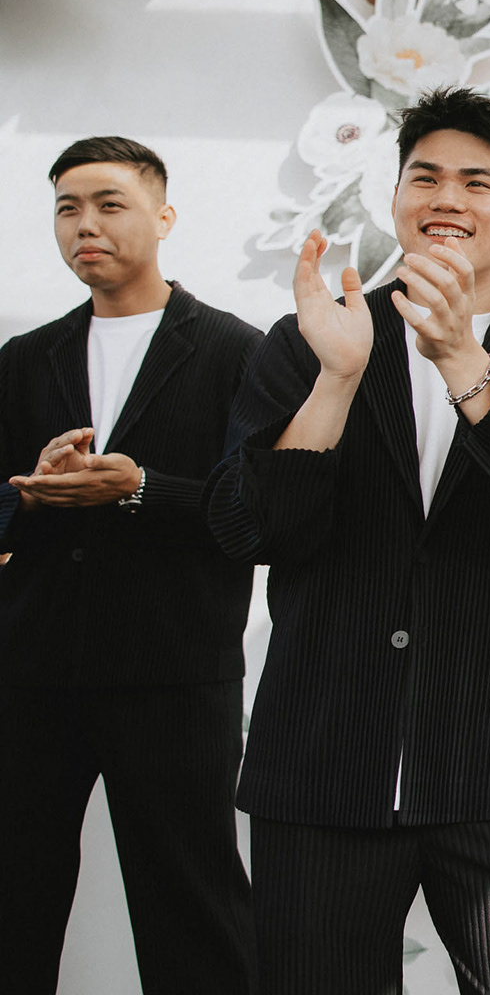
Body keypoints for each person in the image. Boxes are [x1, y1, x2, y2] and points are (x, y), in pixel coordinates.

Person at [205, 88, 490, 994]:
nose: (447, 198)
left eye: (477, 181)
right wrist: (335, 382)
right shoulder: (310, 340)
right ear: (394, 196)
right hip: (321, 768)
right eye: (425, 177)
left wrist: (465, 362)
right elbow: (249, 528)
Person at [0, 137, 262, 995]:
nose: (86, 225)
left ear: (164, 216)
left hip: (175, 677)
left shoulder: (236, 350)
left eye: (109, 204)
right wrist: (29, 496)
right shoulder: (23, 357)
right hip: (30, 673)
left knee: (192, 911)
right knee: (14, 901)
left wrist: (142, 487)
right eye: (68, 209)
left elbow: (257, 511)